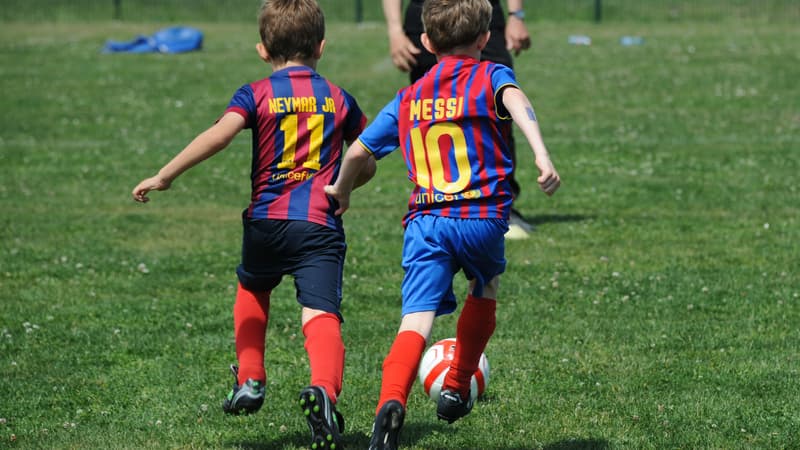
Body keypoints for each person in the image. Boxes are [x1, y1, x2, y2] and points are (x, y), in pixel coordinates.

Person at [131, 0, 374, 447]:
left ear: (263, 50)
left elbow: (219, 134)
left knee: (253, 288)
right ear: (322, 46)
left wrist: (165, 175)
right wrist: (345, 186)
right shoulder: (339, 98)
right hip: (318, 225)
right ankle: (322, 389)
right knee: (320, 312)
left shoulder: (256, 93)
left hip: (264, 222)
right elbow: (366, 157)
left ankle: (250, 378)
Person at [324, 0, 560, 448]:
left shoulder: (410, 96)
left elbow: (357, 153)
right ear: (484, 39)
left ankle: (390, 404)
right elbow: (516, 98)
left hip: (427, 220)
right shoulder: (490, 76)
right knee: (484, 287)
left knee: (415, 319)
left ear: (426, 42)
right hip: (483, 216)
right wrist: (541, 153)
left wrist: (341, 190)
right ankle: (457, 384)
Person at [382, 0, 535, 240]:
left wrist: (517, 14)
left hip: (480, 12)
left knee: (498, 113)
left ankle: (501, 208)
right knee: (428, 115)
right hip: (427, 14)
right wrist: (394, 29)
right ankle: (437, 202)